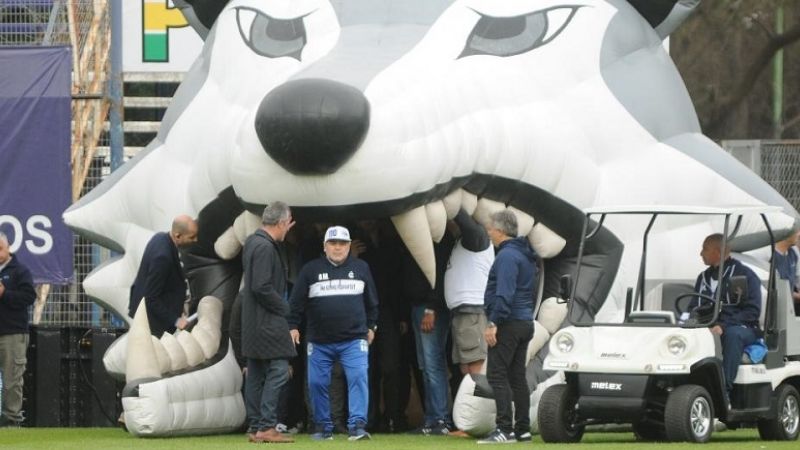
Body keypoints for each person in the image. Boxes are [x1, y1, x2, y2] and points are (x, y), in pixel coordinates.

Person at [288, 226, 379, 441]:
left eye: (342, 243)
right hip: (319, 340)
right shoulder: (310, 270)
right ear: (325, 246)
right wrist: (292, 326)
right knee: (317, 383)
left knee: (358, 378)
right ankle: (322, 427)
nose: (337, 247)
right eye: (333, 243)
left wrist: (372, 326)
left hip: (354, 339)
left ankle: (357, 427)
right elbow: (296, 303)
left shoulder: (361, 267)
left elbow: (372, 302)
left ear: (349, 246)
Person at [479, 209, 537, 444]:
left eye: (490, 229)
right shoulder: (524, 255)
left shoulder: (506, 257)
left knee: (496, 374)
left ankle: (504, 429)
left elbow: (504, 293)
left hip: (508, 322)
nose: (489, 233)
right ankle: (522, 429)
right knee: (517, 377)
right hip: (524, 321)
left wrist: (493, 321)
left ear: (501, 231)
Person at [241, 202, 297, 444]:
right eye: (289, 223)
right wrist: (285, 308)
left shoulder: (253, 242)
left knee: (255, 372)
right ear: (282, 223)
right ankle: (266, 426)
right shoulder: (265, 247)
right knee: (279, 369)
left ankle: (255, 427)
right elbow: (261, 286)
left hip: (252, 322)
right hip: (268, 320)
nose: (289, 229)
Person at [694, 233, 761, 395]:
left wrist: (723, 325)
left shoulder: (745, 274)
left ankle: (724, 391)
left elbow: (752, 311)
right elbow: (693, 306)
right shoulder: (703, 278)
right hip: (708, 325)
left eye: (705, 249)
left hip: (742, 327)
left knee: (733, 334)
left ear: (718, 252)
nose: (701, 253)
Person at [403, 229, 455, 435]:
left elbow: (440, 274)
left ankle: (441, 419)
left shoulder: (440, 239)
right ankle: (432, 419)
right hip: (417, 306)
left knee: (433, 365)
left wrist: (432, 308)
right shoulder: (417, 239)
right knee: (425, 366)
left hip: (430, 308)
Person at [128, 215, 198, 337]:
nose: (196, 240)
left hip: (150, 316)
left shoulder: (160, 237)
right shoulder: (163, 258)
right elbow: (150, 298)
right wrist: (175, 320)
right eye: (191, 237)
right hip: (153, 324)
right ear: (178, 236)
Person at [445, 209, 493, 376]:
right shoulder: (462, 242)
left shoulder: (478, 237)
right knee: (466, 368)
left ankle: (479, 402)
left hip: (471, 313)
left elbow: (468, 225)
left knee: (476, 368)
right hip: (462, 314)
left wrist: (453, 207)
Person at [0, 232, 36, 427]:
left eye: (0, 248)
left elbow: (29, 297)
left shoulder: (20, 271)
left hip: (12, 333)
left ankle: (11, 420)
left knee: (12, 378)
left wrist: (5, 293)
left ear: (9, 248)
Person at [773, 229, 800, 315]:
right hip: (774, 311)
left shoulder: (794, 254)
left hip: (789, 311)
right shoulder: (769, 254)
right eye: (797, 230)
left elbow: (797, 282)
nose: (799, 234)